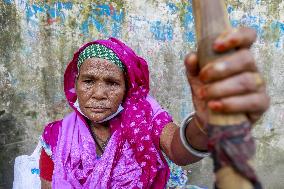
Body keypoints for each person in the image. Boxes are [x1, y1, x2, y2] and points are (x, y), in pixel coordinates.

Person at [39, 28, 270, 189]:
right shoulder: (56, 136)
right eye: (88, 81)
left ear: (126, 89)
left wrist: (205, 125)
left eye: (112, 83)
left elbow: (177, 149)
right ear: (76, 84)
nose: (99, 94)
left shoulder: (143, 118)